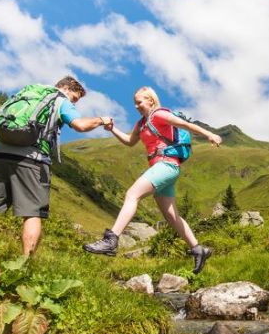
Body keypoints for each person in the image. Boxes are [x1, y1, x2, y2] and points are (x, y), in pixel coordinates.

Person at [0, 76, 112, 264]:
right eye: (75, 98)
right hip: (31, 159)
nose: (74, 102)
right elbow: (80, 125)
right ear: (65, 88)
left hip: (0, 155)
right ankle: (24, 265)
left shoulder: (23, 95)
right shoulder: (59, 100)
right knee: (32, 214)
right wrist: (101, 120)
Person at [83, 86, 222, 274]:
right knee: (171, 216)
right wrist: (112, 129)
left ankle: (111, 239)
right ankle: (198, 249)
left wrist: (209, 135)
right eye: (135, 102)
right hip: (162, 168)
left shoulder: (159, 114)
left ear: (151, 100)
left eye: (139, 102)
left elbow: (185, 125)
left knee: (132, 194)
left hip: (166, 165)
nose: (136, 106)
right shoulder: (142, 124)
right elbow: (130, 142)